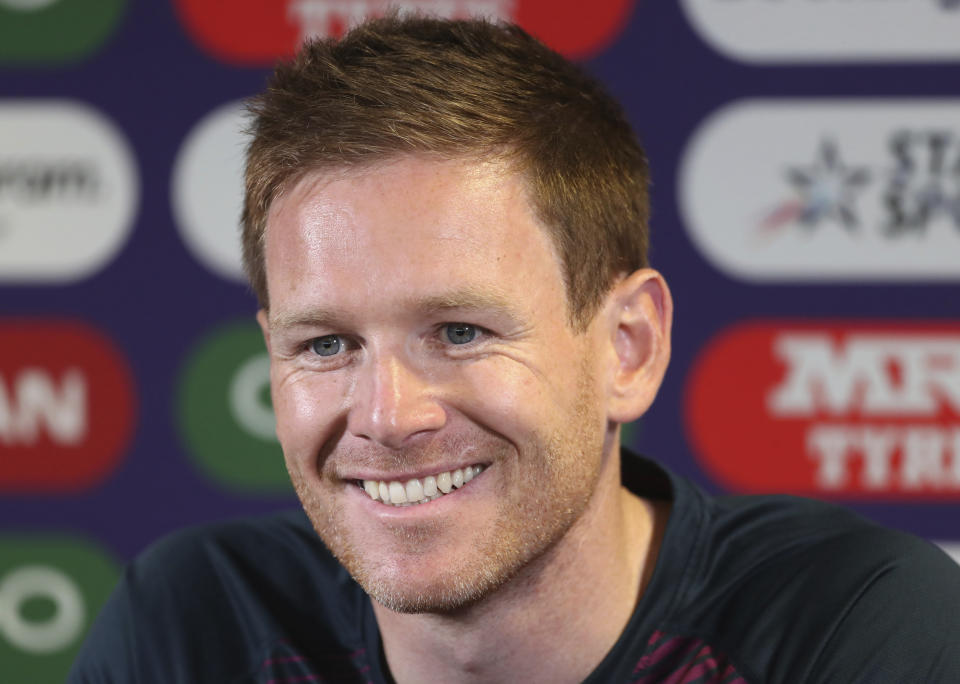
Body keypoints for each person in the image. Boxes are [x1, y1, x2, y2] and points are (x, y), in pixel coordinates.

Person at [70, 15, 960, 684]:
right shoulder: (193, 630)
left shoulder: (854, 629)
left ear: (628, 348)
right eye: (327, 343)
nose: (386, 415)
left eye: (460, 332)